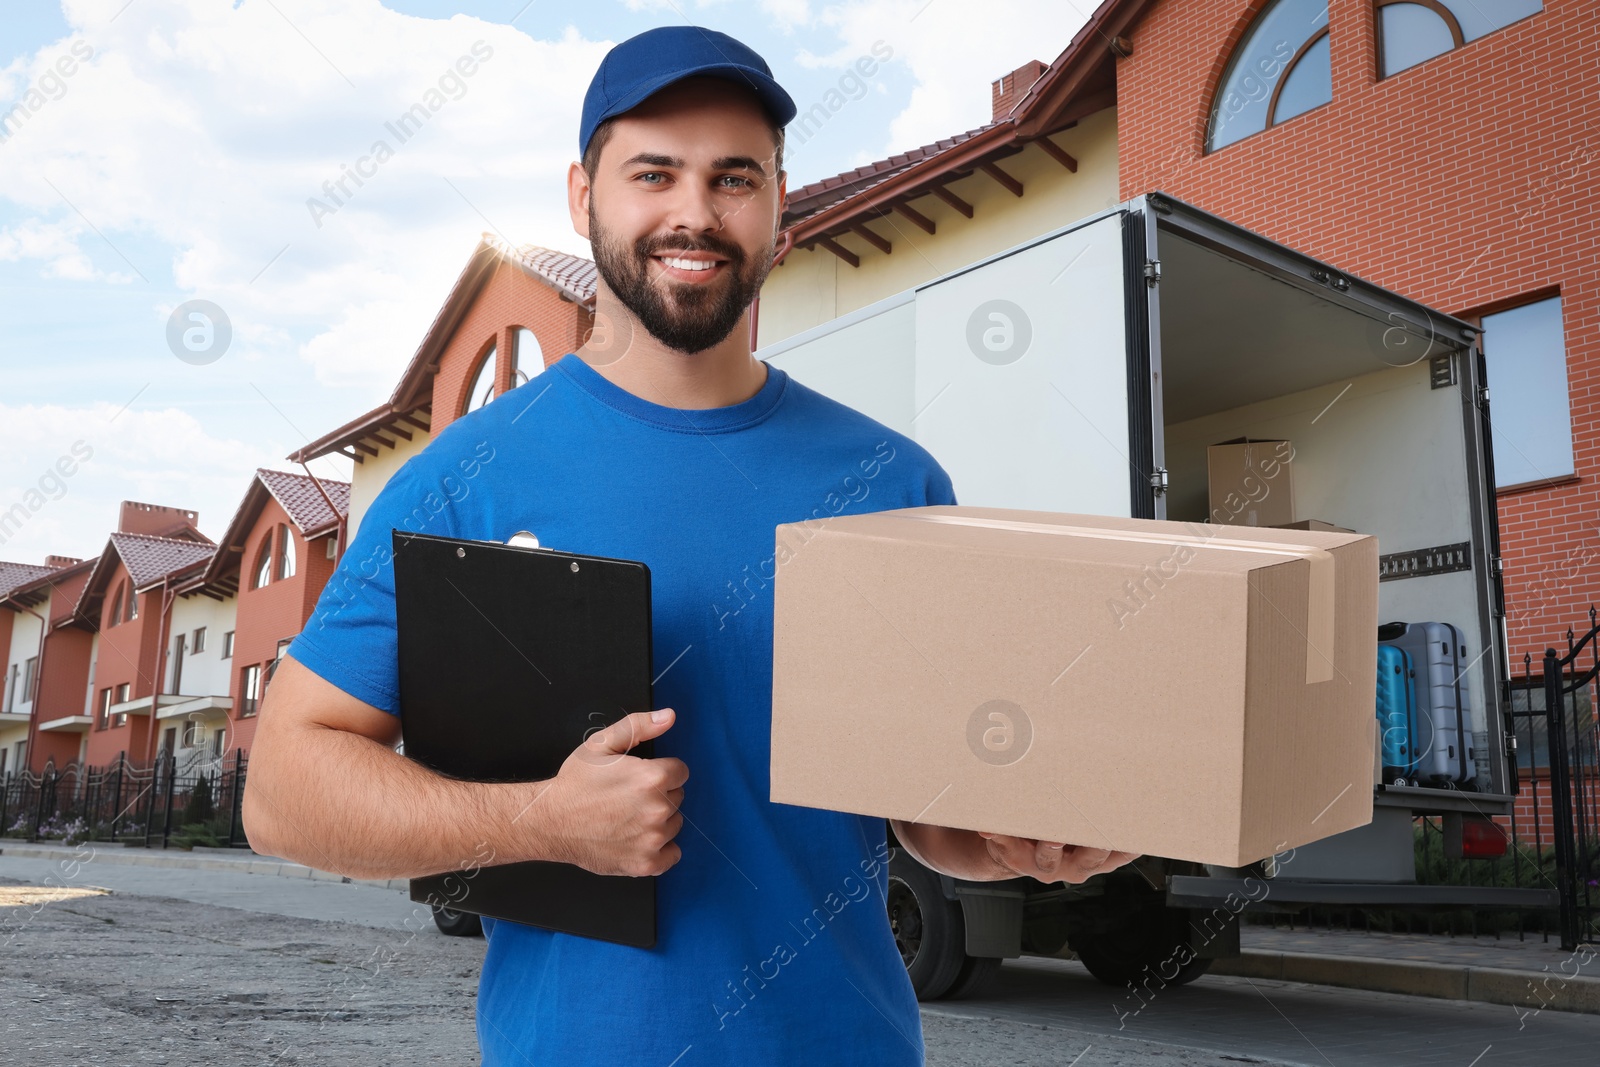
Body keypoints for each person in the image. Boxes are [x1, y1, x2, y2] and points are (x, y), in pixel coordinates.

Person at [241, 24, 1135, 1066]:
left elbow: (923, 811)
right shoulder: (464, 478)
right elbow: (283, 791)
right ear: (583, 198)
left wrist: (1010, 841)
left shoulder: (892, 482)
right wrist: (543, 820)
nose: (694, 213)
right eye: (652, 173)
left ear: (779, 213)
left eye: (734, 177)